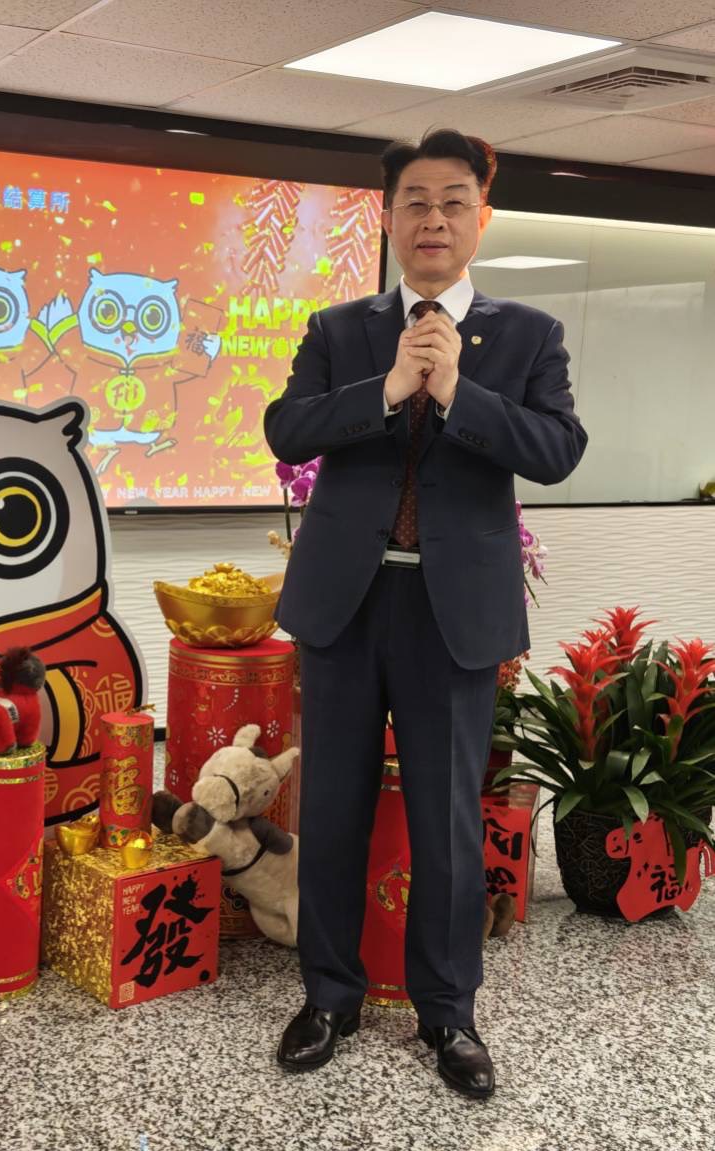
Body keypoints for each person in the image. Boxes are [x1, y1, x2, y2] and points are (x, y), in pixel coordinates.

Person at [263, 130, 586, 1099]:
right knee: (332, 810)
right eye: (415, 201)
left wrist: (454, 391)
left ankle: (448, 1011)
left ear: (480, 216)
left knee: (447, 821)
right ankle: (328, 996)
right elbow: (287, 429)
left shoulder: (528, 334)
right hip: (346, 604)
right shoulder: (340, 328)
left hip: (453, 613)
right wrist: (389, 388)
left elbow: (556, 449)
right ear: (388, 216)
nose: (432, 218)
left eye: (452, 201)